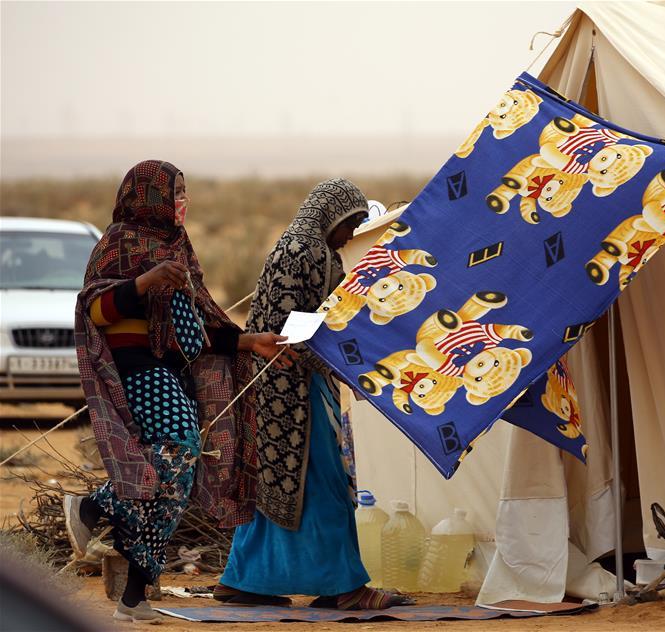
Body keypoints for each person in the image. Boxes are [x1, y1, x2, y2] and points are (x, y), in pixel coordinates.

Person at [63, 160, 294, 624]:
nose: (182, 200)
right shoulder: (118, 241)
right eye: (175, 191)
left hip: (170, 371)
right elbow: (97, 310)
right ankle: (93, 504)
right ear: (149, 195)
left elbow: (197, 331)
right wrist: (146, 282)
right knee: (182, 448)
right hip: (134, 370)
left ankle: (133, 594)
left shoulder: (178, 247)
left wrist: (251, 341)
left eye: (185, 190)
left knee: (174, 482)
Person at [213, 179, 411, 609]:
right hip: (296, 391)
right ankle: (345, 587)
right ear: (333, 217)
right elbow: (317, 333)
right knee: (323, 481)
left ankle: (245, 579)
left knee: (271, 483)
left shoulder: (287, 243)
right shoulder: (317, 254)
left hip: (266, 386)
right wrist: (359, 376)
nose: (350, 235)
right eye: (350, 224)